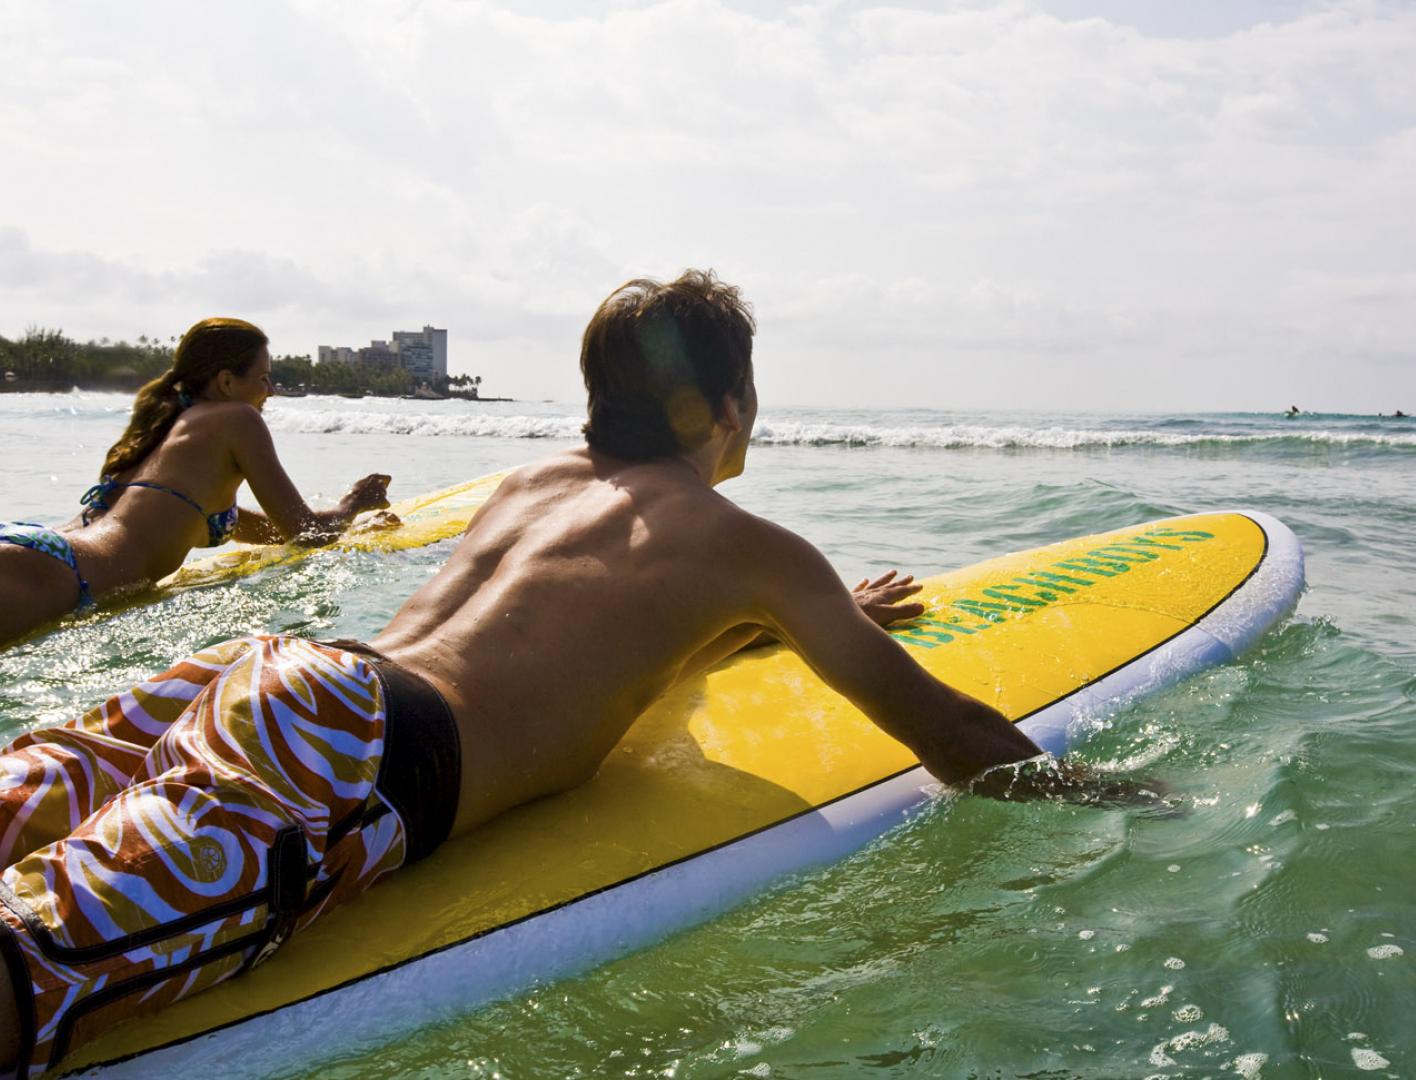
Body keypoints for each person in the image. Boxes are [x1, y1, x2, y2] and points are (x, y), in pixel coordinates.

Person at [0, 273, 1047, 1075]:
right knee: (30, 975)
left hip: (273, 676)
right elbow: (951, 736)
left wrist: (792, 622)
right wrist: (1111, 794)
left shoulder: (533, 482)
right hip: (347, 750)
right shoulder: (751, 550)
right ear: (727, 404)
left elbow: (582, 634)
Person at [0, 318, 394, 646]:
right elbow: (304, 532)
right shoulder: (238, 419)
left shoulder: (163, 431)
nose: (270, 391)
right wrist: (353, 505)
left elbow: (270, 531)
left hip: (38, 552)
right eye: (264, 378)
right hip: (60, 577)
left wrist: (348, 523)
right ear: (226, 382)